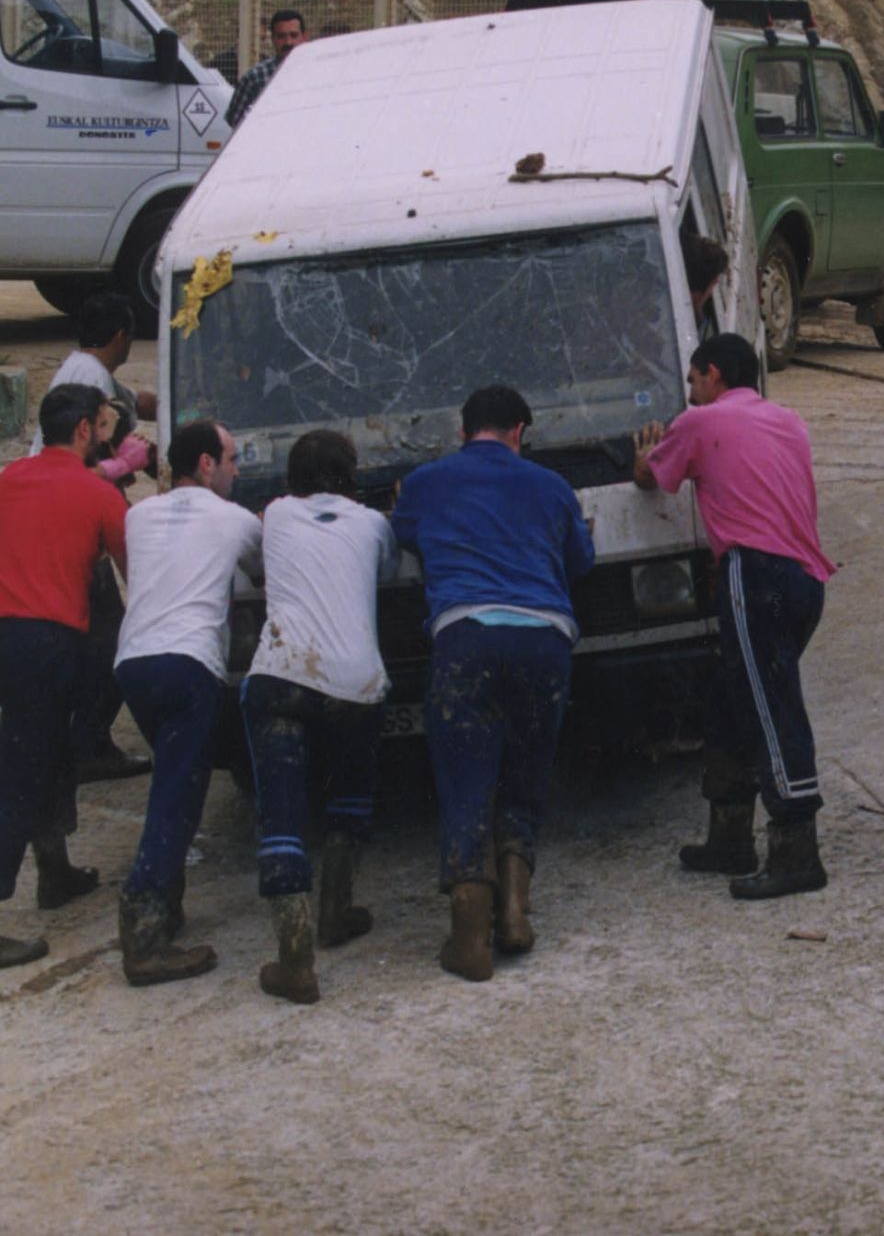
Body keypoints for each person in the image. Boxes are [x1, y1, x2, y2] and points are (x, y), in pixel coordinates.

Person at [392, 385, 595, 982]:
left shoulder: (427, 482)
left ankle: (468, 936)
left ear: (462, 432)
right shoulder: (553, 486)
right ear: (519, 433)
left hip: (466, 637)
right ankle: (515, 910)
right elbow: (579, 562)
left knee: (465, 780)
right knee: (526, 775)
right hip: (545, 641)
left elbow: (406, 535)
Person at [632, 332, 836, 900]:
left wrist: (643, 453)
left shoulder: (700, 422)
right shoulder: (788, 420)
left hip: (755, 575)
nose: (691, 392)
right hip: (806, 579)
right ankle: (729, 835)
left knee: (771, 706)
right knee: (732, 698)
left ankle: (796, 847)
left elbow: (652, 477)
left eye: (694, 380)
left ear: (714, 374)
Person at [240, 430, 398, 1004]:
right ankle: (337, 909)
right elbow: (384, 572)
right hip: (357, 684)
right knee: (350, 794)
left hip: (282, 676)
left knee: (281, 815)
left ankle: (294, 958)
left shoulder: (276, 513)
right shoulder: (373, 524)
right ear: (351, 473)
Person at [113, 421, 263, 987]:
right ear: (206, 464)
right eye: (230, 459)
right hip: (188, 663)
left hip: (134, 663)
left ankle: (165, 908)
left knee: (173, 781)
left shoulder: (139, 515)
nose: (236, 470)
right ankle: (146, 929)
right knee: (179, 793)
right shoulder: (235, 519)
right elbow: (264, 564)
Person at [0, 384, 128, 967]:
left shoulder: (8, 479)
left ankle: (54, 869)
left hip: (7, 631)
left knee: (45, 755)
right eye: (103, 426)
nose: (107, 436)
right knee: (23, 771)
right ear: (83, 430)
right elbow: (136, 568)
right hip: (48, 640)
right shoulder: (96, 492)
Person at [31, 292, 157, 784]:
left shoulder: (85, 370)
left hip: (60, 518)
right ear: (122, 337)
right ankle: (87, 742)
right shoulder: (88, 381)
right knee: (113, 637)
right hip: (71, 522)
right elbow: (83, 467)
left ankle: (78, 738)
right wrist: (125, 464)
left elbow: (133, 401)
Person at [225, 8, 307, 128]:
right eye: (281, 36)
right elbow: (235, 121)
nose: (288, 42)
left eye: (294, 35)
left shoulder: (318, 74)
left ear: (304, 37)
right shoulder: (255, 78)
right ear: (273, 39)